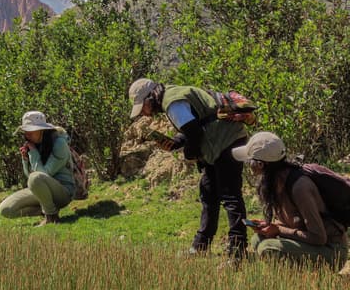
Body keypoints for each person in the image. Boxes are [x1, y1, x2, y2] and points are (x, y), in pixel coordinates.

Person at [129, 78, 249, 258]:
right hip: (220, 142)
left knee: (230, 195)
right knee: (208, 193)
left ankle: (237, 249)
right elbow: (199, 123)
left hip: (225, 142)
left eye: (142, 107)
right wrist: (176, 142)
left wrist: (189, 154)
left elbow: (194, 132)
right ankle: (201, 245)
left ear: (149, 99)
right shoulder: (175, 93)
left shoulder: (172, 102)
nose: (144, 113)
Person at [232, 131, 348, 270]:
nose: (249, 166)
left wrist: (278, 230)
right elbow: (293, 223)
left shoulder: (300, 188)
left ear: (261, 165)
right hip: (313, 246)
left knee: (268, 248)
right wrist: (269, 226)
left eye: (250, 161)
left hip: (331, 250)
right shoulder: (277, 182)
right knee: (258, 240)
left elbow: (318, 237)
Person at [0, 111, 75, 226]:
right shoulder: (35, 143)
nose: (27, 135)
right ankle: (47, 209)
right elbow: (30, 177)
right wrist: (25, 159)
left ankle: (51, 216)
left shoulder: (59, 143)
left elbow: (43, 174)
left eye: (30, 131)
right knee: (6, 209)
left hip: (63, 192)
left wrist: (33, 153)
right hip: (42, 188)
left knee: (36, 177)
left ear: (42, 130)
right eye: (26, 131)